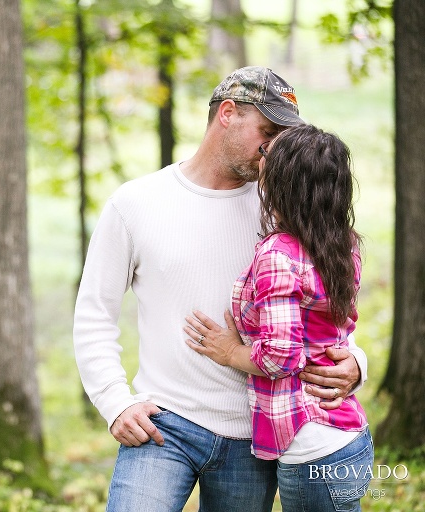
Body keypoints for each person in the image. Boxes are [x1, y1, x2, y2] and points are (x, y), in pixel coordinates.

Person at [72, 66, 368, 512]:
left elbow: (322, 307)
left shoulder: (284, 207)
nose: (272, 152)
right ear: (227, 114)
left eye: (282, 141)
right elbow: (94, 313)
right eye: (267, 134)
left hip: (256, 438)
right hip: (163, 424)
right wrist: (115, 402)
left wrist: (355, 364)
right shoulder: (136, 203)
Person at [184, 124, 372, 512]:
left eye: (271, 154)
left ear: (283, 184)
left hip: (313, 448)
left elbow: (279, 357)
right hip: (347, 437)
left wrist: (230, 352)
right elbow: (329, 332)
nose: (262, 156)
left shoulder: (278, 254)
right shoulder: (344, 240)